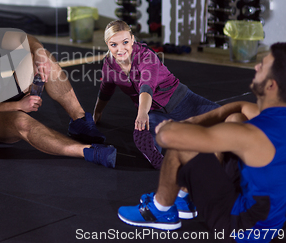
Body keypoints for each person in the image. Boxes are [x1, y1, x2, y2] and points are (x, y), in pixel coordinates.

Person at [118, 43, 286, 243]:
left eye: (262, 66)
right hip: (271, 217)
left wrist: (174, 126)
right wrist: (195, 120)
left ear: (271, 85)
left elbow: (168, 137)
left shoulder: (252, 134)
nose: (256, 67)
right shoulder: (275, 118)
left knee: (182, 143)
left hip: (243, 228)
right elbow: (240, 105)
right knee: (235, 117)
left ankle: (160, 209)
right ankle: (184, 197)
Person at [0, 0, 116, 169]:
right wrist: (18, 106)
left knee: (43, 57)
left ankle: (79, 120)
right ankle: (88, 151)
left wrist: (39, 51)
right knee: (21, 121)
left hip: (5, 93)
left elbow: (24, 38)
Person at [93, 20, 219, 169]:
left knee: (226, 118)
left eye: (125, 42)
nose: (120, 49)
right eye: (114, 44)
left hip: (183, 101)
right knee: (144, 132)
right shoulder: (109, 64)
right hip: (153, 113)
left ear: (133, 39)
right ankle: (160, 160)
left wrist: (141, 112)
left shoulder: (147, 56)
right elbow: (106, 87)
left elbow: (147, 86)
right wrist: (97, 111)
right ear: (107, 44)